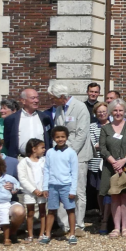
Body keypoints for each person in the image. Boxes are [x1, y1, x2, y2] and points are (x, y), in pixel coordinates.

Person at [48, 83, 92, 237]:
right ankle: (65, 225)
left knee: (78, 190)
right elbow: (56, 131)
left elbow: (82, 133)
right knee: (61, 188)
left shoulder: (80, 107)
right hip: (61, 155)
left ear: (61, 96)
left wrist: (69, 153)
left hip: (78, 156)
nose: (52, 101)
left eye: (53, 98)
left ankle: (79, 225)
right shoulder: (59, 109)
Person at [99, 98, 126, 239]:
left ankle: (125, 227)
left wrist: (124, 160)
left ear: (125, 111)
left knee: (125, 197)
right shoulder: (105, 129)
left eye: (121, 110)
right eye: (115, 110)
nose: (118, 113)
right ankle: (116, 227)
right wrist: (114, 162)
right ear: (111, 112)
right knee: (114, 197)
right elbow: (103, 148)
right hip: (111, 167)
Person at [41, 126, 78, 245]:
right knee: (51, 210)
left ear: (66, 137)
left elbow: (74, 172)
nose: (60, 139)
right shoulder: (50, 152)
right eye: (57, 137)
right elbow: (46, 170)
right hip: (52, 185)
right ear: (53, 138)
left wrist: (73, 190)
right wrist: (45, 187)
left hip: (66, 185)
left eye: (63, 137)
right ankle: (47, 234)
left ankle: (72, 234)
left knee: (70, 210)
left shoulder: (71, 153)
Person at [4, 88, 52, 163]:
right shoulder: (11, 119)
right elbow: (8, 141)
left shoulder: (45, 118)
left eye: (37, 98)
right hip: (20, 160)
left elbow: (49, 139)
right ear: (23, 101)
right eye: (33, 98)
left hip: (42, 160)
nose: (36, 100)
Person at [18, 138, 48, 243]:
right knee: (30, 212)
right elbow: (22, 179)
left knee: (43, 212)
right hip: (29, 192)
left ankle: (41, 234)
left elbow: (47, 175)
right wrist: (33, 190)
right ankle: (30, 235)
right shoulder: (23, 162)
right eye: (42, 148)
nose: (44, 150)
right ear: (34, 149)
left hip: (42, 191)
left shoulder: (44, 161)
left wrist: (44, 189)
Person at [88, 102, 108, 233]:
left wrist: (102, 144)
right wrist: (108, 144)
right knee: (100, 190)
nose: (102, 114)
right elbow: (93, 144)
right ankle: (102, 213)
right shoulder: (92, 127)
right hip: (96, 163)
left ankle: (109, 214)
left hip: (110, 162)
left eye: (104, 111)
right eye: (99, 112)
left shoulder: (113, 125)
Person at [0, 155, 21, 246]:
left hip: (4, 203)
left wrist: (13, 188)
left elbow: (17, 185)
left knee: (5, 222)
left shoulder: (7, 178)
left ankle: (6, 238)